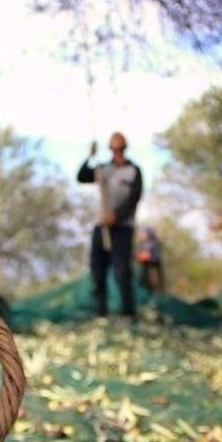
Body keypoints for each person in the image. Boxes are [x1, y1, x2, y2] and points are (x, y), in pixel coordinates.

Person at [77, 131, 144, 317]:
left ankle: (127, 314)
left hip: (122, 228)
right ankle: (100, 313)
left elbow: (134, 198)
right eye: (114, 148)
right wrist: (89, 156)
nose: (117, 151)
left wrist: (116, 216)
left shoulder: (133, 171)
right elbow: (81, 177)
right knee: (97, 271)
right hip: (101, 227)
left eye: (120, 147)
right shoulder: (102, 169)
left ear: (125, 148)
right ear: (110, 149)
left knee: (122, 272)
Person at [136, 226, 165, 294]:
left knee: (153, 286)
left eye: (143, 233)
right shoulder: (143, 244)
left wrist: (135, 256)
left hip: (152, 267)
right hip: (147, 267)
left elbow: (146, 256)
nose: (140, 234)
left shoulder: (151, 243)